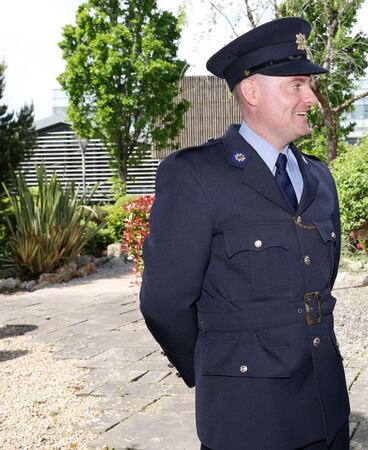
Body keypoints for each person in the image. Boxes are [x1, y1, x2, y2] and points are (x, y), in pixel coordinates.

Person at [139, 17, 349, 450]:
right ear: (252, 91)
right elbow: (165, 302)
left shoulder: (319, 178)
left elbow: (321, 278)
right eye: (296, 85)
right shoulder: (196, 175)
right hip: (248, 412)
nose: (311, 96)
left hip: (325, 403)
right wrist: (210, 365)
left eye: (308, 85)